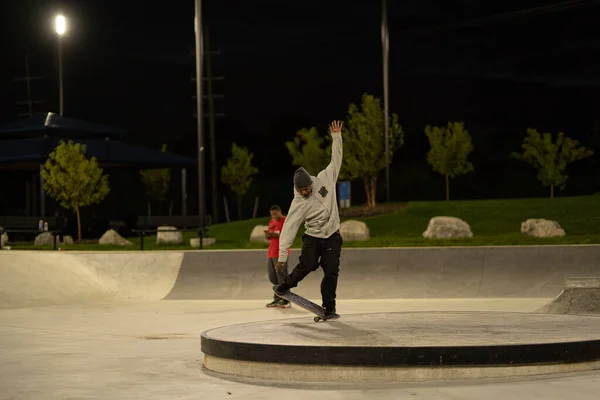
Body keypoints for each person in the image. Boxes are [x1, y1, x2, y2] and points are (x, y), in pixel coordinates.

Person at [274, 120, 344, 318]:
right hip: (313, 237)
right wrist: (282, 256)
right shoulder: (298, 203)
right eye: (300, 190)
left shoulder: (325, 179)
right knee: (307, 265)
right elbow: (289, 227)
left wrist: (336, 138)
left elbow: (336, 159)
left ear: (311, 182)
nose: (304, 192)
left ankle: (329, 308)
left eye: (306, 188)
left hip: (332, 236)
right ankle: (284, 286)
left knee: (331, 272)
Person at [264, 205, 291, 308]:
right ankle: (277, 299)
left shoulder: (285, 220)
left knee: (282, 276)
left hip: (281, 253)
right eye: (272, 215)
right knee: (273, 277)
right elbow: (271, 235)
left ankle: (286, 300)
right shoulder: (271, 222)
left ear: (280, 212)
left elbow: (287, 234)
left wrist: (275, 234)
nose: (274, 216)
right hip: (271, 252)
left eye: (275, 214)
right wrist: (268, 235)